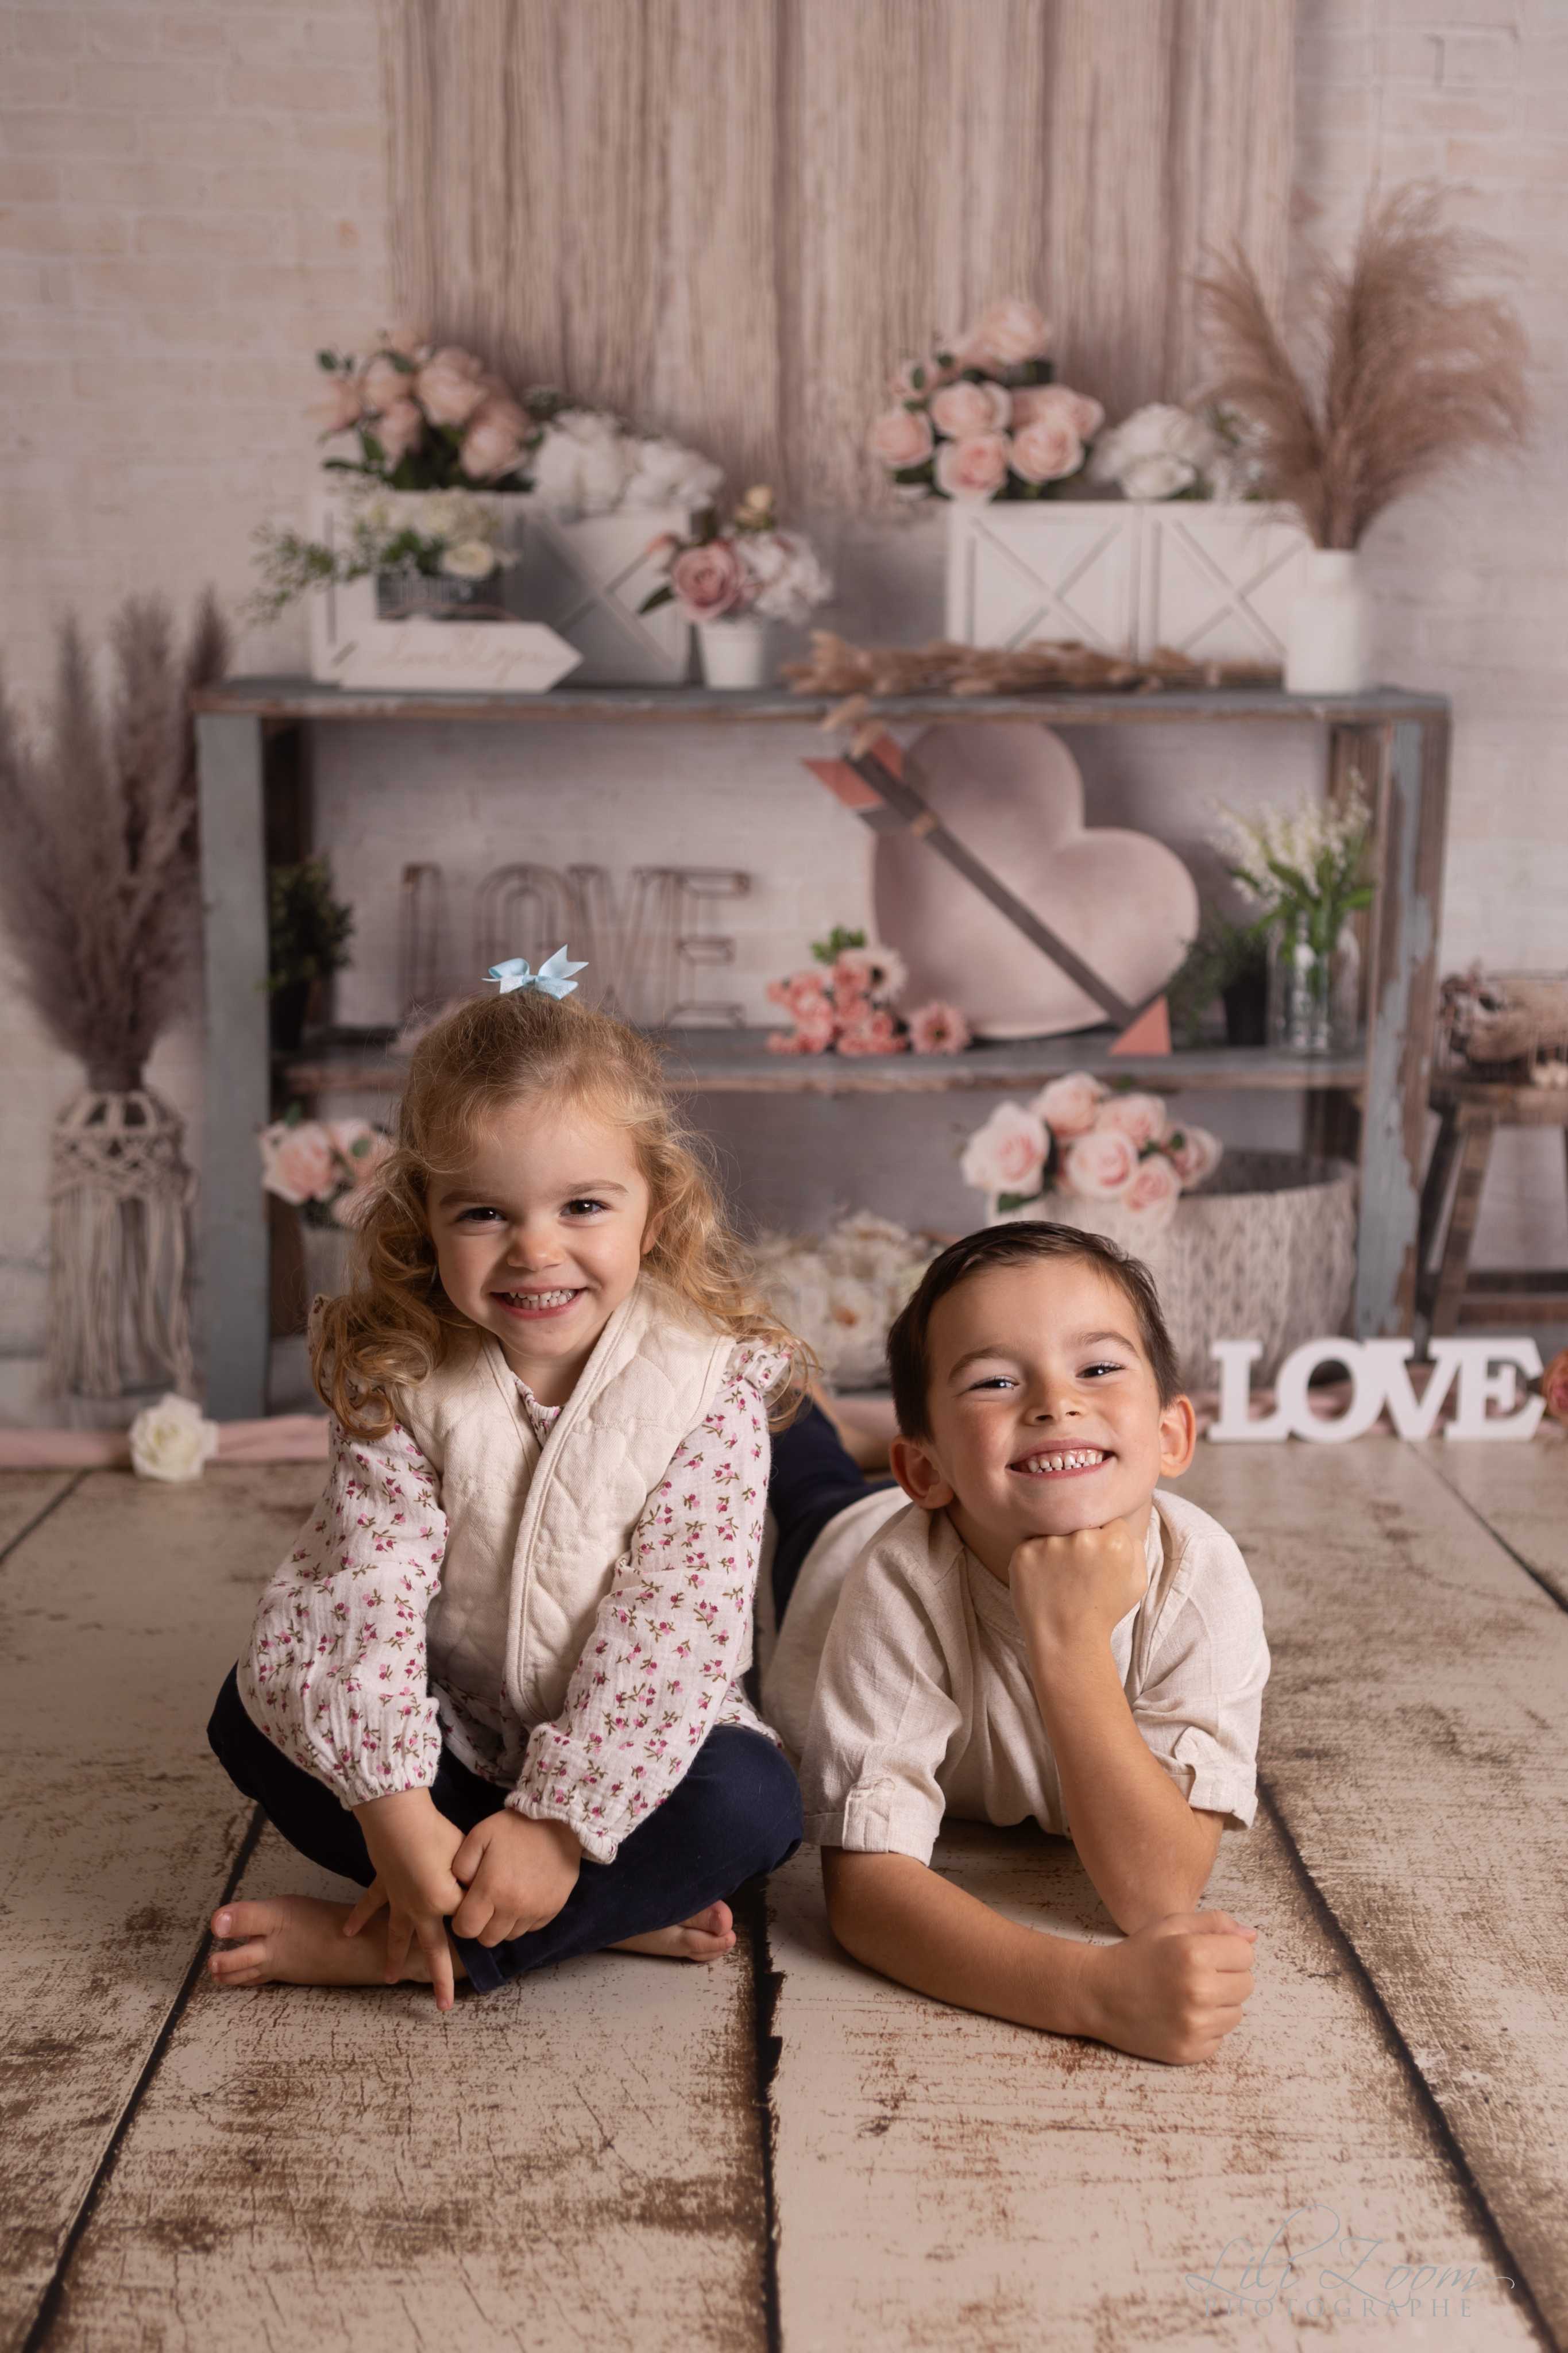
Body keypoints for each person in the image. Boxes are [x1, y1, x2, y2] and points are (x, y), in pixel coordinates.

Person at [206, 952, 808, 2011]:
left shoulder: (707, 1380)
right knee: (246, 1718)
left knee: (751, 1808)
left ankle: (399, 1950)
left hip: (632, 1752)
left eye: (583, 1206)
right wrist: (394, 1807)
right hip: (448, 1731)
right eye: (483, 1214)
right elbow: (366, 1593)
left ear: (653, 1213)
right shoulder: (399, 1374)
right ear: (424, 1221)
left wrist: (560, 1824)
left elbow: (678, 1619)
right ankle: (587, 1915)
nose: (537, 1252)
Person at [760, 1221, 1269, 2067]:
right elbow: (863, 1894)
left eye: (1098, 1368)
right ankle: (789, 1396)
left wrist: (1065, 1641)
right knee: (802, 1480)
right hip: (834, 1554)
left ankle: (834, 1424)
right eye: (994, 1381)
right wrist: (1088, 1992)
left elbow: (1155, 1893)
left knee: (821, 1470)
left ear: (1172, 1435)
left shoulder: (1201, 1581)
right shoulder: (896, 1577)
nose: (1053, 1404)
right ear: (922, 1472)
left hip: (952, 1501)